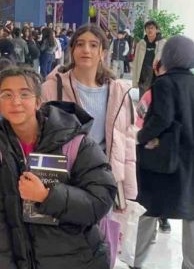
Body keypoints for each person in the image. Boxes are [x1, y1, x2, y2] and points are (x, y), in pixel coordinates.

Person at [0, 67, 117, 269]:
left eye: (24, 94)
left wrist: (47, 196)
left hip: (78, 260)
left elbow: (101, 199)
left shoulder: (73, 142)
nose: (16, 102)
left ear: (38, 101)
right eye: (7, 95)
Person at [41, 24, 137, 207]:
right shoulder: (52, 89)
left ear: (103, 53)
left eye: (93, 45)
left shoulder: (118, 93)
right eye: (80, 44)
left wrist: (128, 191)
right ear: (72, 50)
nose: (86, 50)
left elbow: (127, 142)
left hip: (104, 181)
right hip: (64, 181)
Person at [132, 35, 194, 269]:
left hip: (164, 160)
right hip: (190, 161)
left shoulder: (164, 83)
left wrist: (140, 137)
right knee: (191, 213)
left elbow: (161, 119)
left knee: (149, 208)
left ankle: (137, 261)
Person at [132, 20, 167, 97]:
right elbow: (136, 61)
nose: (150, 30)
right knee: (143, 100)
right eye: (147, 28)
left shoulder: (163, 43)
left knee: (155, 99)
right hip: (143, 76)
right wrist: (135, 79)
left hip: (156, 76)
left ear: (157, 30)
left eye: (152, 28)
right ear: (145, 30)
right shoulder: (141, 43)